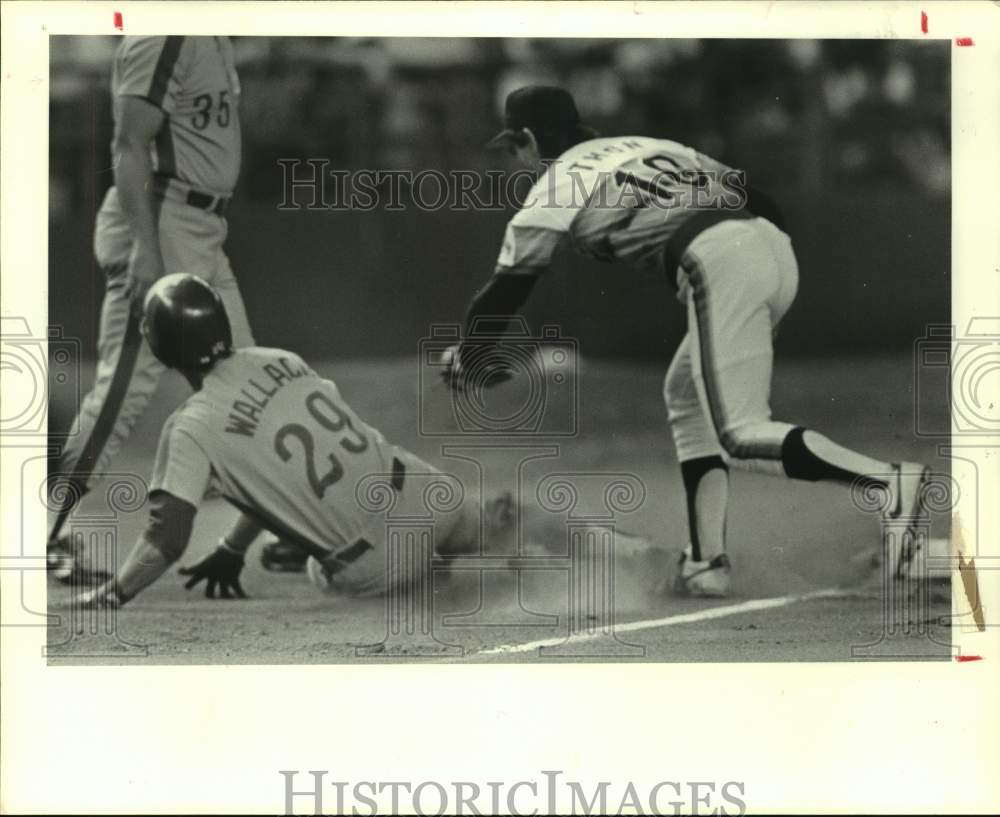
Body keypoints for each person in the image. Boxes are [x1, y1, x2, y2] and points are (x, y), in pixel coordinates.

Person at [441, 85, 930, 598]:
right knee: (686, 396)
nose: (514, 163)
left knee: (740, 434)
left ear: (527, 138)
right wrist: (757, 262)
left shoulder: (555, 185)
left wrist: (469, 351)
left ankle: (890, 485)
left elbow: (509, 286)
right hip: (771, 247)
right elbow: (755, 199)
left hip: (719, 258)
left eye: (514, 148)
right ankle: (707, 565)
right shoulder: (651, 146)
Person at [76, 274, 500, 608]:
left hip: (378, 558)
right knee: (505, 531)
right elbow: (275, 470)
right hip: (428, 492)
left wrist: (116, 592)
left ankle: (430, 576)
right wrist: (232, 547)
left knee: (319, 569)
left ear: (162, 346)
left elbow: (166, 537)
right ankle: (522, 541)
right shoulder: (279, 359)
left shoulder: (191, 426)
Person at [49, 36, 255, 582]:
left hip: (201, 226)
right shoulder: (163, 30)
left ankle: (281, 529)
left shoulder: (210, 31)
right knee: (122, 391)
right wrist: (146, 247)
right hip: (161, 218)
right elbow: (128, 142)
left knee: (248, 381)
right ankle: (46, 533)